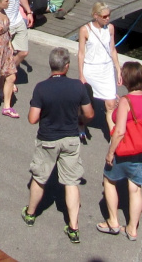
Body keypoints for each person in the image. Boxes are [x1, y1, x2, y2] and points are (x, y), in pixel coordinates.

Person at [22, 46, 93, 243]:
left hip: (48, 139)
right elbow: (89, 114)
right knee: (71, 182)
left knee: (39, 177)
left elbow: (32, 118)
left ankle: (30, 213)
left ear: (51, 65)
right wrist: (79, 120)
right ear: (67, 66)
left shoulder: (41, 88)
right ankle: (73, 227)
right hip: (70, 139)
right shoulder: (78, 87)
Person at [100, 61, 142, 241]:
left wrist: (110, 152)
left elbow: (120, 130)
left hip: (124, 149)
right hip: (141, 150)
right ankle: (131, 228)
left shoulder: (125, 101)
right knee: (135, 188)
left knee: (109, 180)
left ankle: (113, 221)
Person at [78, 2, 122, 137]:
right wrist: (81, 74)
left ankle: (113, 136)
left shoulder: (110, 28)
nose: (107, 18)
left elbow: (112, 50)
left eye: (109, 15)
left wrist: (118, 69)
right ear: (95, 16)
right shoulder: (85, 30)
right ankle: (81, 124)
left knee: (111, 104)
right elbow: (81, 53)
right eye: (104, 16)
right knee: (87, 106)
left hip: (106, 69)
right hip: (91, 70)